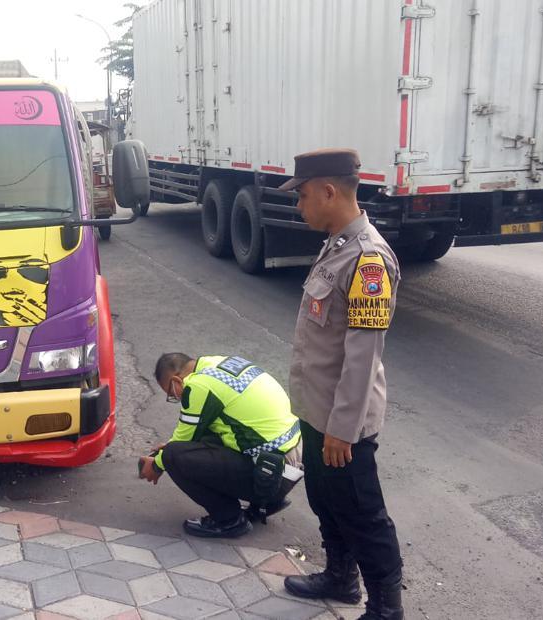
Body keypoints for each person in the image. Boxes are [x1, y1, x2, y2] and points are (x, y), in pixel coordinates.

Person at [278, 148, 405, 619]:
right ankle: (339, 578)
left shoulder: (368, 260)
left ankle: (387, 608)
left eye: (304, 195)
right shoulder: (336, 245)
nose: (300, 205)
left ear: (330, 192)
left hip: (342, 421)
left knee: (362, 512)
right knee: (325, 499)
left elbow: (362, 356)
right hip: (317, 411)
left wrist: (341, 429)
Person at [139, 353, 304, 538]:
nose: (176, 398)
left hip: (271, 475)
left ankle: (229, 520)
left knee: (172, 456)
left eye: (172, 393)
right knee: (200, 439)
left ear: (176, 380)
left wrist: (156, 464)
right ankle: (264, 504)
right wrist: (170, 446)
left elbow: (182, 442)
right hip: (288, 464)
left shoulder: (198, 386)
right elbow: (195, 433)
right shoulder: (221, 364)